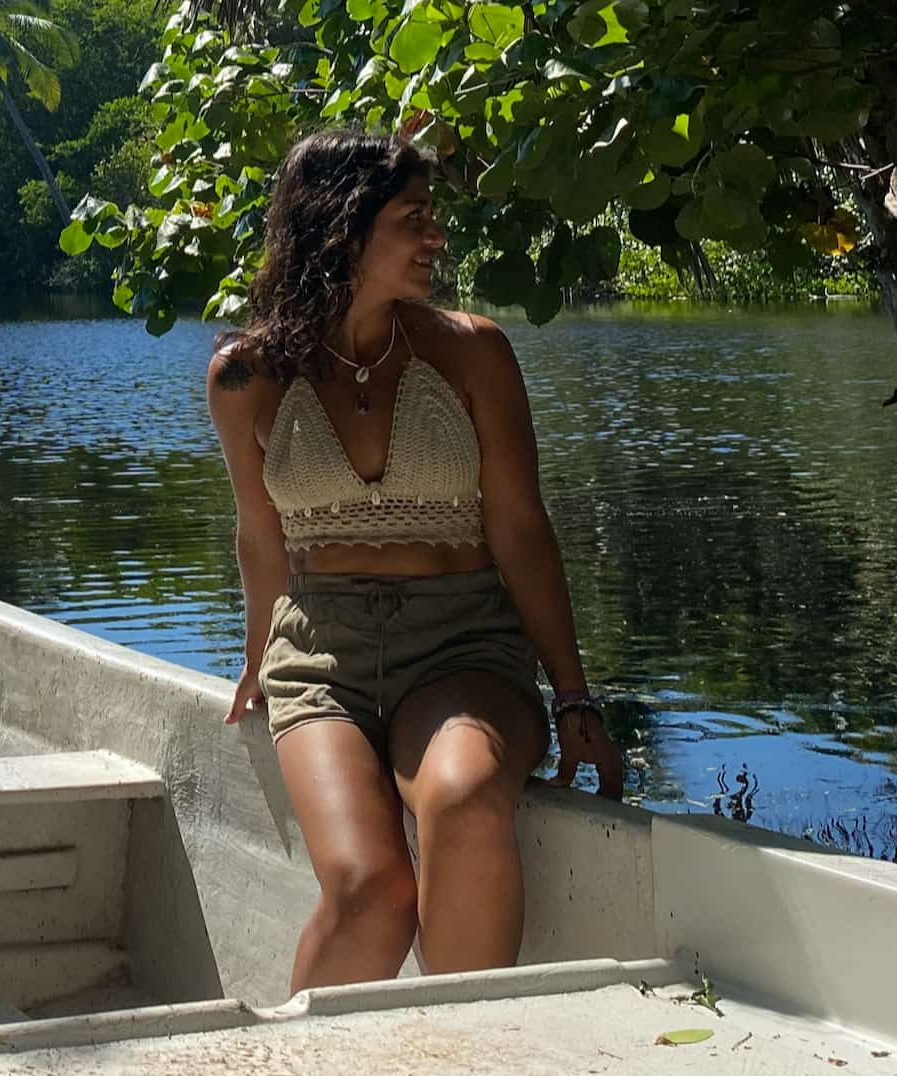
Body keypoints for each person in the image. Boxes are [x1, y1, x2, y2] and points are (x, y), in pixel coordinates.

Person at [208, 129, 624, 994]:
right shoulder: (246, 375)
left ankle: (464, 1075)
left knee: (466, 801)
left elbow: (520, 529)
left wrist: (574, 691)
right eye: (413, 219)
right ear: (343, 228)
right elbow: (259, 539)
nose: (435, 238)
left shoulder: (473, 351)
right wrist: (257, 660)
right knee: (369, 891)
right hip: (320, 657)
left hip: (464, 643)